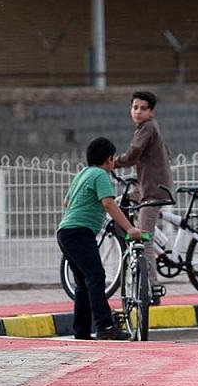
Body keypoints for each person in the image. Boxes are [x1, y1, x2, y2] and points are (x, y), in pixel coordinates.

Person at [57, 137, 142, 341]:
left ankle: (82, 331)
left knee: (83, 283)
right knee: (96, 277)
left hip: (65, 231)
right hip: (79, 232)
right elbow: (109, 204)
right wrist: (129, 228)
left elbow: (66, 202)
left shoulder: (83, 174)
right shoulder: (101, 175)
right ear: (109, 159)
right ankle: (105, 326)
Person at [114, 90, 173, 303]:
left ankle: (154, 287)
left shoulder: (146, 128)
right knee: (126, 202)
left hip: (153, 190)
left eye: (143, 108)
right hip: (148, 186)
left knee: (144, 239)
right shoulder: (148, 128)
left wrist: (112, 162)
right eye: (135, 107)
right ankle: (149, 236)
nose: (138, 112)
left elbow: (133, 154)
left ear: (152, 112)